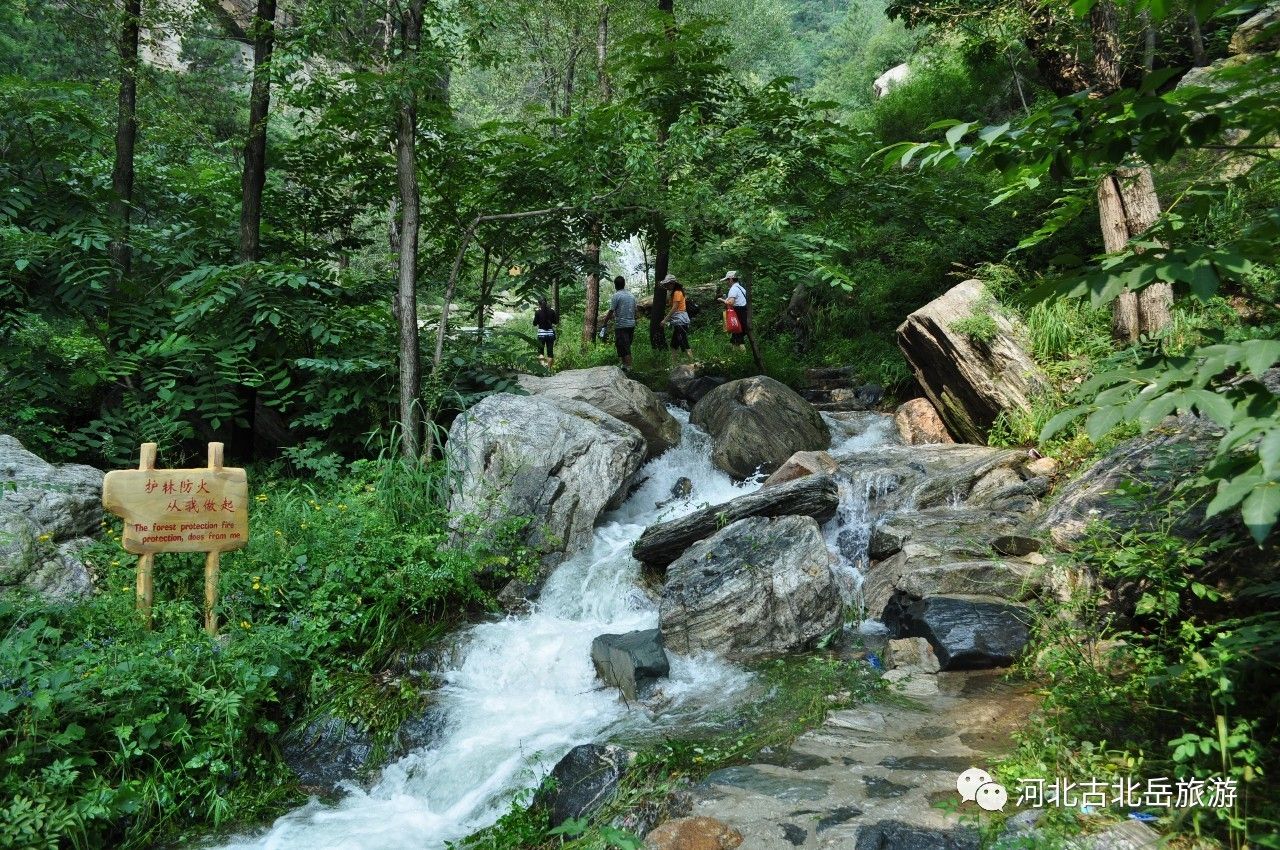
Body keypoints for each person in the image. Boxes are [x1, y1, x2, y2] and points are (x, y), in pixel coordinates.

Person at [601, 275, 636, 368]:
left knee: (624, 348)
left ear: (615, 285)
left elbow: (611, 311)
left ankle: (629, 368)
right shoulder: (631, 296)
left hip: (622, 326)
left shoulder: (616, 296)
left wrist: (604, 323)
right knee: (624, 346)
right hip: (631, 325)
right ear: (624, 284)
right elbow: (633, 310)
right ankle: (624, 366)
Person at [660, 275, 693, 363]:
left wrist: (665, 320)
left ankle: (693, 364)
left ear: (672, 283)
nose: (666, 286)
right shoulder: (674, 292)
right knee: (674, 345)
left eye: (667, 284)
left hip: (681, 321)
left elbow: (675, 308)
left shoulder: (677, 292)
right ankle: (674, 364)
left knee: (684, 343)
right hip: (678, 321)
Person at [720, 269, 749, 351]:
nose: (726, 282)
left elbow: (731, 302)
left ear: (731, 279)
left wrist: (722, 300)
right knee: (736, 336)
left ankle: (743, 356)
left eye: (727, 280)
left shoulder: (733, 289)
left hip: (738, 314)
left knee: (738, 336)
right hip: (744, 313)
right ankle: (735, 355)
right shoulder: (741, 288)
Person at [532, 296, 559, 367]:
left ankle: (542, 369)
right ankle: (549, 370)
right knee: (550, 353)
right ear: (546, 303)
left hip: (541, 335)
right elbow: (555, 322)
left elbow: (534, 323)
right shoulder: (552, 311)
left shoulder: (538, 312)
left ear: (539, 304)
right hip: (550, 335)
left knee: (540, 353)